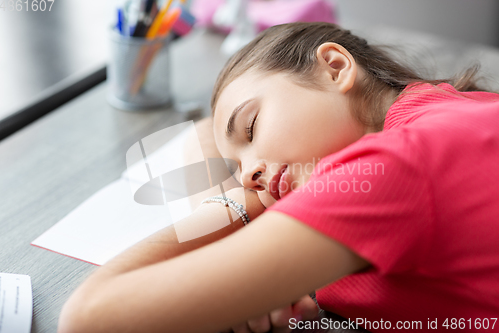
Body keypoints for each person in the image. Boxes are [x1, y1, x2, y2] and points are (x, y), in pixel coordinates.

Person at [58, 22, 499, 333]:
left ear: (334, 66)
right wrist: (246, 266)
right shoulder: (448, 108)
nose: (247, 174)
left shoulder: (384, 173)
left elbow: (88, 317)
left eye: (250, 128)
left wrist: (237, 213)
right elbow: (203, 134)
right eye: (237, 170)